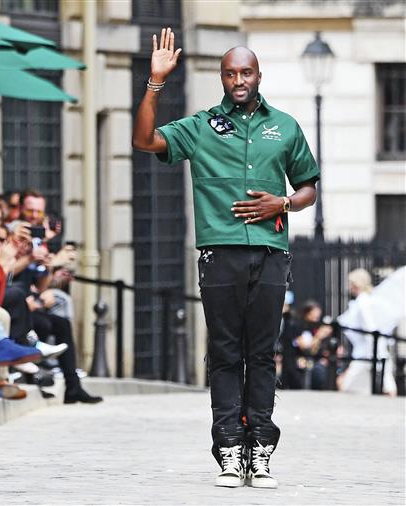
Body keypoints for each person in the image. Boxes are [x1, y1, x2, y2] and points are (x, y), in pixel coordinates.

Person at [132, 29, 320, 489]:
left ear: (259, 75)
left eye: (246, 72)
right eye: (231, 73)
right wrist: (156, 82)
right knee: (223, 353)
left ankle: (261, 451)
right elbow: (144, 140)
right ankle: (229, 450)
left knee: (262, 354)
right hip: (219, 254)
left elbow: (309, 187)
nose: (239, 79)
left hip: (271, 253)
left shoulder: (286, 127)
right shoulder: (201, 126)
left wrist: (284, 203)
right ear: (222, 77)